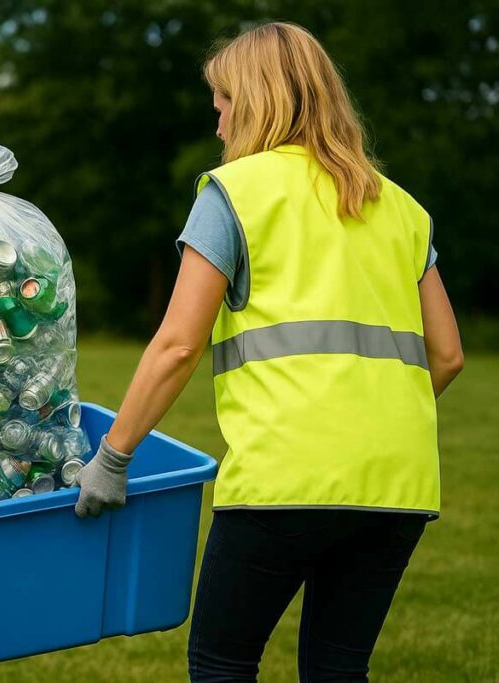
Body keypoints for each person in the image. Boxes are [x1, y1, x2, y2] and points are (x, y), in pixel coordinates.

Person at [74, 21, 463, 683]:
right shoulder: (402, 208)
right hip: (398, 484)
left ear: (256, 103)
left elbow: (178, 344)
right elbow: (447, 354)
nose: (219, 123)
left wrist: (112, 458)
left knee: (223, 663)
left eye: (223, 104)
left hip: (285, 476)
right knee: (339, 668)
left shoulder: (233, 193)